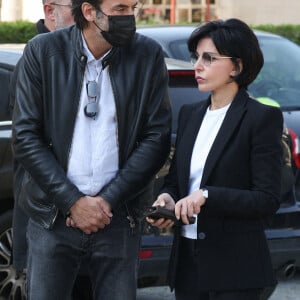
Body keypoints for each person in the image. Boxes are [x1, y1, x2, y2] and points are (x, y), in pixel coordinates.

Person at [12, 0, 171, 299]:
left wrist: (106, 201)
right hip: (53, 217)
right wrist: (73, 202)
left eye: (132, 9)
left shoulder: (147, 55)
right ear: (88, 11)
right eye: (120, 9)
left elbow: (157, 137)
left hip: (118, 217)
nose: (130, 18)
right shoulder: (43, 52)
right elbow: (25, 136)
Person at [147, 18, 283, 300]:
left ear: (237, 66)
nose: (197, 65)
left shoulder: (260, 118)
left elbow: (266, 199)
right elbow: (176, 182)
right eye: (196, 57)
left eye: (209, 58)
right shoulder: (190, 115)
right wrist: (168, 199)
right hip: (188, 263)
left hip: (236, 269)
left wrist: (207, 196)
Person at [10, 0, 74, 277]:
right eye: (80, 7)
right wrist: (74, 200)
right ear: (51, 11)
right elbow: (30, 140)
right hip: (49, 213)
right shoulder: (38, 60)